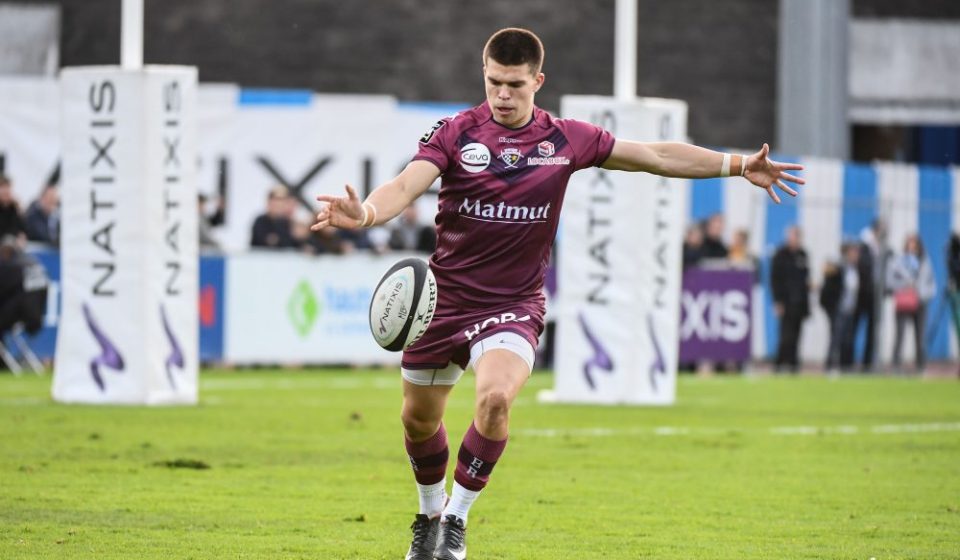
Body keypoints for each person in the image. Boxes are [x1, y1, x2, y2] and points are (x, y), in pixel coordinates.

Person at [310, 28, 804, 560]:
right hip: (443, 301)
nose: (502, 95)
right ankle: (428, 515)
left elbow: (655, 155)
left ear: (537, 82)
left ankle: (455, 520)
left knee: (495, 400)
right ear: (484, 74)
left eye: (515, 85)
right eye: (494, 82)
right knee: (417, 419)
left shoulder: (566, 139)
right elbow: (405, 185)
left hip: (511, 306)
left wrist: (735, 165)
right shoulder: (455, 132)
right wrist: (363, 214)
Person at [887, 233, 936, 373]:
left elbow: (932, 284)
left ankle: (921, 366)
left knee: (920, 336)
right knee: (899, 335)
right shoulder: (898, 261)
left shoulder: (925, 262)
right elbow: (890, 281)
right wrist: (905, 285)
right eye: (909, 243)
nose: (912, 247)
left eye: (914, 244)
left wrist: (921, 293)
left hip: (920, 303)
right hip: (904, 302)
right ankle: (896, 365)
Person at [771, 226, 810, 373]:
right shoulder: (780, 255)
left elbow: (804, 279)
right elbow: (775, 280)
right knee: (785, 336)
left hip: (799, 302)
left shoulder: (802, 254)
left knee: (797, 335)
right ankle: (780, 364)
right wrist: (777, 301)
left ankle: (794, 364)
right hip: (786, 301)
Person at [853, 219, 890, 371]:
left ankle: (867, 364)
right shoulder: (864, 245)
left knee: (872, 330)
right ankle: (847, 362)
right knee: (853, 328)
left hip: (874, 294)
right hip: (862, 293)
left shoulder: (881, 248)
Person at [821, 242, 860, 372]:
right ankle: (830, 365)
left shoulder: (855, 268)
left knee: (848, 339)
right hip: (838, 308)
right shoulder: (839, 266)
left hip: (850, 308)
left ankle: (846, 366)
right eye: (853, 252)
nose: (855, 255)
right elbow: (827, 270)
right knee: (836, 338)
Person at [250, 185, 301, 250]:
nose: (279, 204)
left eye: (283, 200)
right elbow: (262, 241)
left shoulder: (288, 223)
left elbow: (292, 244)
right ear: (269, 201)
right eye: (277, 200)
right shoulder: (260, 221)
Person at [0, 174, 27, 244]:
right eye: (2, 187)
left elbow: (23, 229)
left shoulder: (15, 209)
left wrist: (21, 236)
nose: (6, 191)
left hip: (13, 248)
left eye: (8, 187)